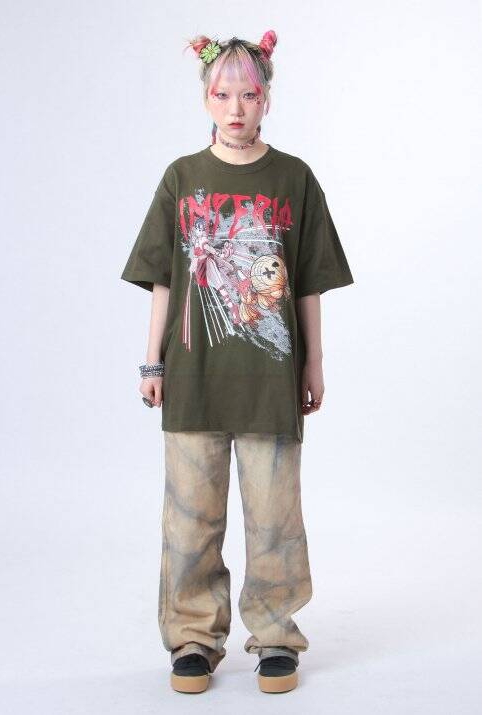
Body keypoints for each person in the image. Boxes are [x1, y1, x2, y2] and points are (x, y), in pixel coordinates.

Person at [120, 30, 354, 694]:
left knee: (275, 516)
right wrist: (151, 363)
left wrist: (313, 364)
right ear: (205, 99)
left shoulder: (294, 179)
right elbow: (165, 279)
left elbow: (307, 281)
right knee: (190, 518)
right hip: (193, 378)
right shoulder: (182, 178)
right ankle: (193, 637)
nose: (235, 107)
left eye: (248, 94)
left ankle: (276, 636)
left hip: (269, 380)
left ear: (266, 99)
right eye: (222, 95)